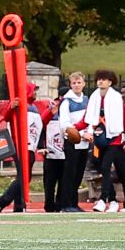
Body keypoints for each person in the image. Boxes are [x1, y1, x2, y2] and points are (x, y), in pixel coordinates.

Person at [86, 68, 125, 212]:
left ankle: (103, 199)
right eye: (98, 79)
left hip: (113, 139)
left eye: (103, 79)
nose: (100, 81)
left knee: (105, 167)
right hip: (99, 138)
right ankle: (113, 200)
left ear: (110, 82)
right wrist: (76, 129)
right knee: (102, 170)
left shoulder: (116, 98)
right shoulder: (94, 97)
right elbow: (88, 117)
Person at [55, 71, 91, 212]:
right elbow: (65, 123)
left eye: (79, 82)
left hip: (85, 142)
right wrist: (80, 134)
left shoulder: (87, 100)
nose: (77, 85)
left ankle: (74, 202)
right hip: (72, 141)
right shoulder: (66, 101)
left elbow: (90, 119)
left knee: (78, 174)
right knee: (69, 173)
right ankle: (66, 204)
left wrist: (88, 133)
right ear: (70, 84)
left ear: (84, 84)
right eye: (74, 83)